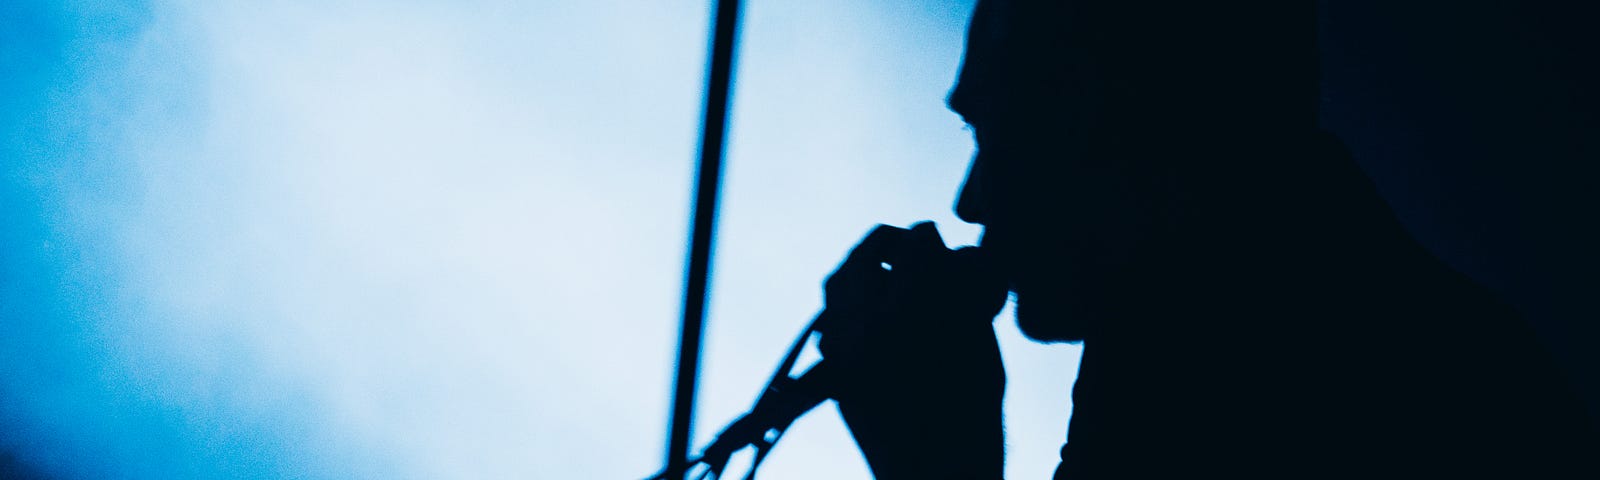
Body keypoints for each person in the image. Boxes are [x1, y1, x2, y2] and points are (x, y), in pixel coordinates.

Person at [816, 1, 1598, 478]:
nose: (971, 202)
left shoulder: (1302, 384)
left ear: (1138, 118)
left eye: (1006, 132)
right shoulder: (1153, 351)